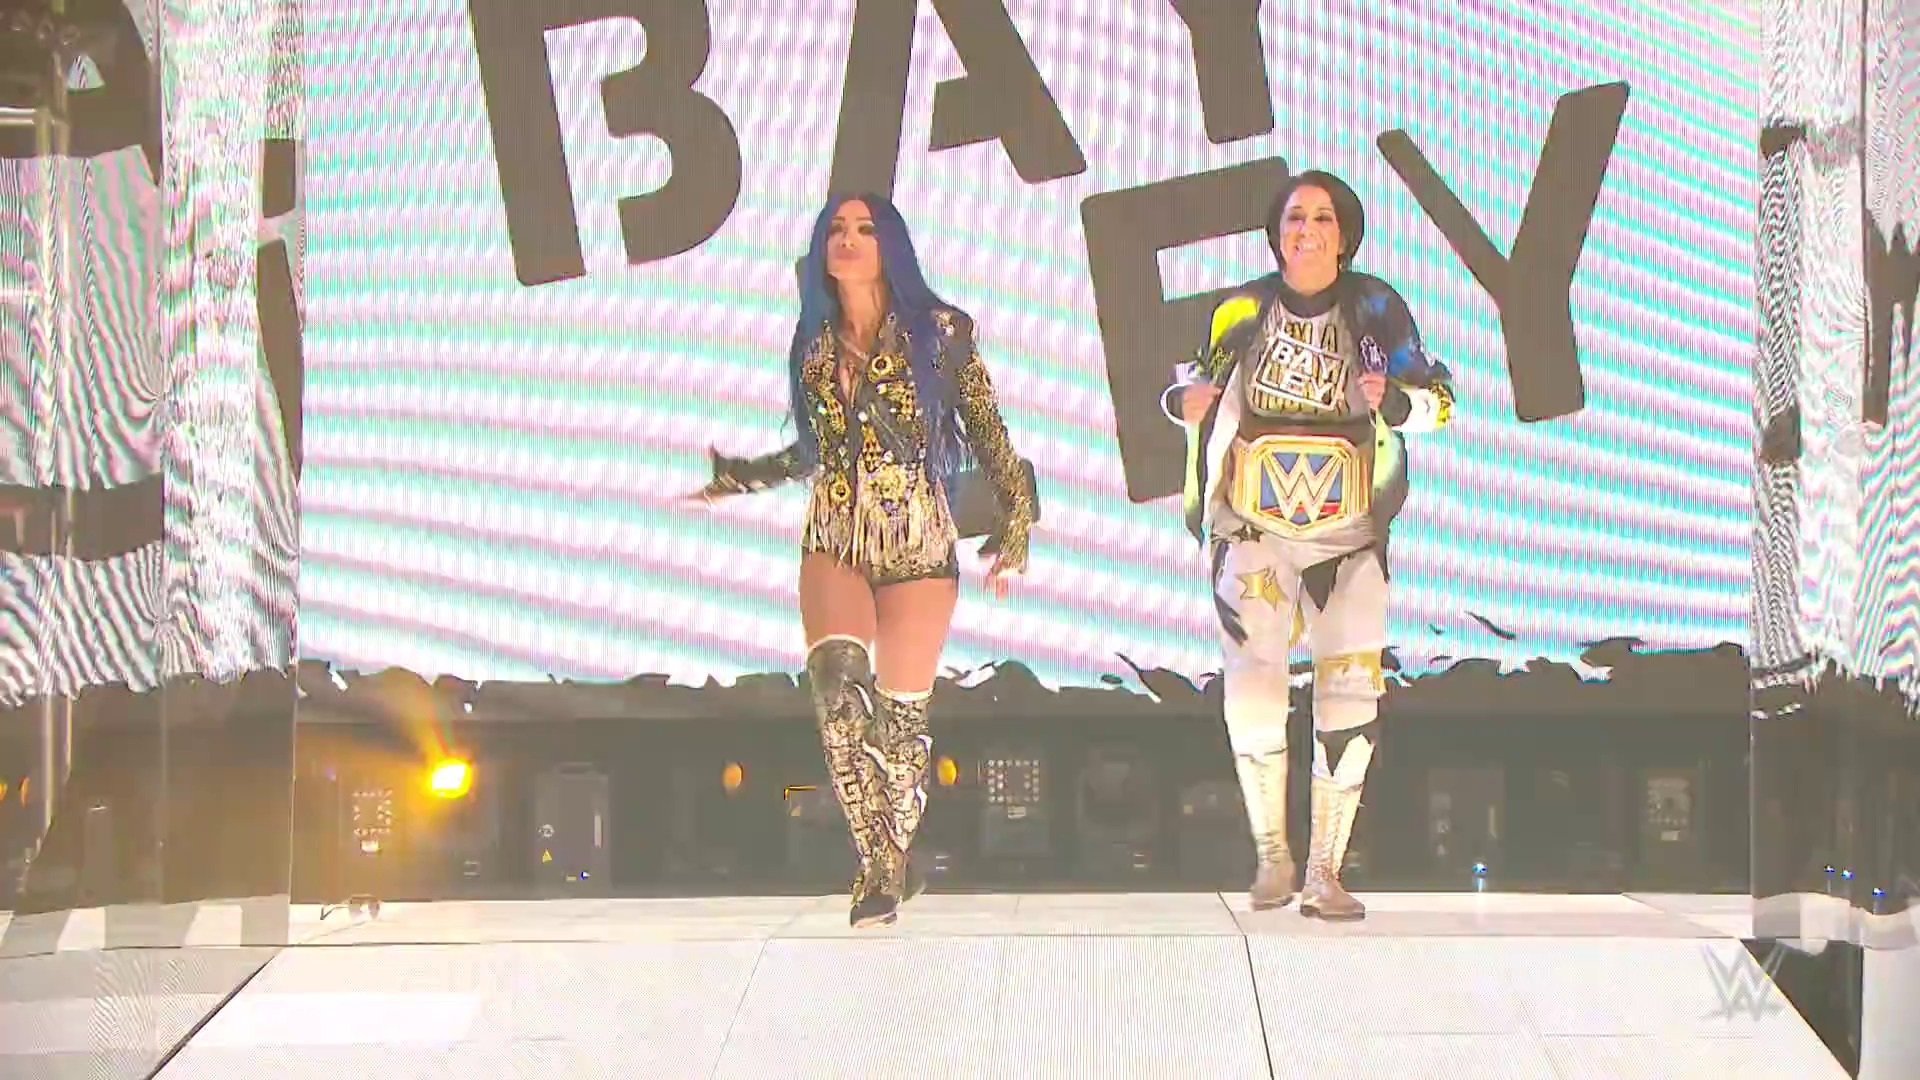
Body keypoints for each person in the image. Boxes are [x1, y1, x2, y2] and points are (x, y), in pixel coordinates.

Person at [692, 193, 1036, 927]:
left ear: (893, 245)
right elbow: (817, 450)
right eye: (835, 231)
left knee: (898, 724)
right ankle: (879, 864)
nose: (848, 241)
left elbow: (987, 430)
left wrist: (1017, 524)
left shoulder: (941, 332)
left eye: (864, 229)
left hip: (916, 538)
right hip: (835, 535)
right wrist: (743, 475)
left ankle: (895, 852)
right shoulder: (813, 340)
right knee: (837, 693)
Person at [1161, 171, 1455, 919]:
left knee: (1351, 690)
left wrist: (1396, 400)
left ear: (1345, 235)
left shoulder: (1377, 307)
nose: (1308, 229)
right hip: (1255, 528)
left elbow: (1441, 402)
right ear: (1277, 231)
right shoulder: (1241, 308)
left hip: (1348, 536)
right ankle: (1271, 855)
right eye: (1295, 216)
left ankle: (1326, 870)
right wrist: (1183, 404)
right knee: (1255, 688)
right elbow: (1192, 387)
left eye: (1323, 217)